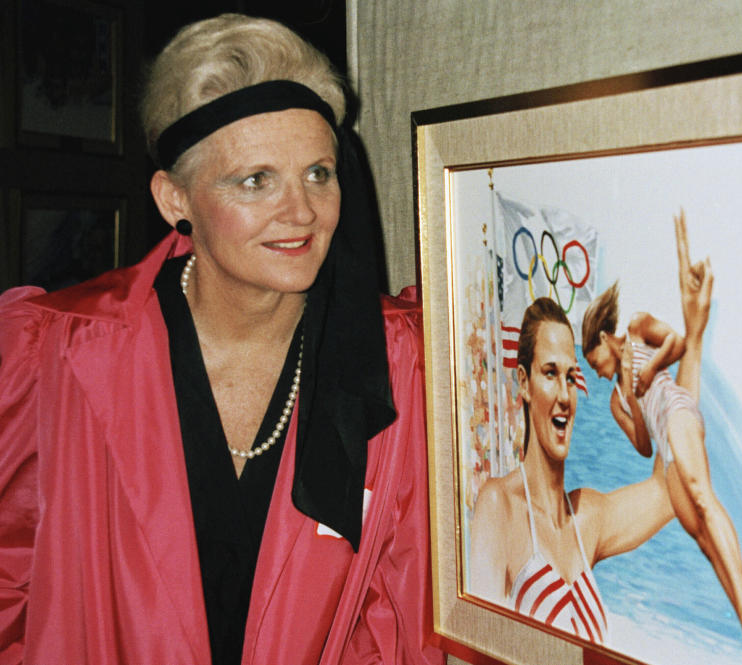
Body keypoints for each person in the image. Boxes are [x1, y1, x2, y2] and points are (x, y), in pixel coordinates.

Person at [0, 14, 441, 665]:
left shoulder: (397, 362)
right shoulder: (55, 352)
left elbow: (396, 618)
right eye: (255, 179)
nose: (300, 211)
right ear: (174, 197)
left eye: (318, 173)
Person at [468, 216, 713, 646]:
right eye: (549, 373)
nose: (564, 394)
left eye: (571, 376)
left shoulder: (588, 519)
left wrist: (693, 339)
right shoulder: (498, 507)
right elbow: (479, 649)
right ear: (523, 383)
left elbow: (671, 486)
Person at [580, 212, 742, 664]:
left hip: (678, 410)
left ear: (607, 337)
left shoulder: (639, 328)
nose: (597, 370)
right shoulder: (614, 399)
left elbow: (678, 345)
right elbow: (644, 445)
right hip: (663, 438)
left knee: (703, 497)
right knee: (699, 535)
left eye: (597, 360)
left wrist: (644, 370)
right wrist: (630, 396)